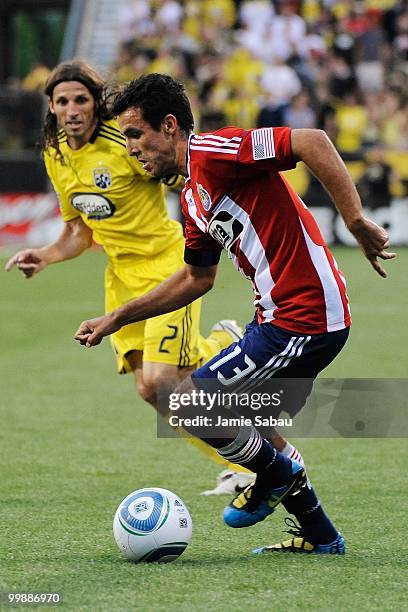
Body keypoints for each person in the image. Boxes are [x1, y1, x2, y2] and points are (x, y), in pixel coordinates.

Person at [74, 73, 395, 555]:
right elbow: (196, 278)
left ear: (169, 126)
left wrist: (354, 220)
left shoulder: (215, 151)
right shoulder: (191, 195)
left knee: (189, 402)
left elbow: (312, 140)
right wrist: (118, 317)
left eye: (136, 135)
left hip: (304, 317)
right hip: (278, 318)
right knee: (259, 426)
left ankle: (274, 476)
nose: (131, 149)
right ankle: (322, 537)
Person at [4, 60, 256, 494]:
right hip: (121, 279)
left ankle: (222, 347)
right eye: (62, 101)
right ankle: (240, 461)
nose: (72, 109)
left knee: (164, 382)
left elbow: (178, 172)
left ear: (94, 103)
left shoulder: (123, 142)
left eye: (81, 99)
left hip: (166, 266)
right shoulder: (56, 155)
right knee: (152, 390)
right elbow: (79, 231)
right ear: (51, 107)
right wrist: (44, 256)